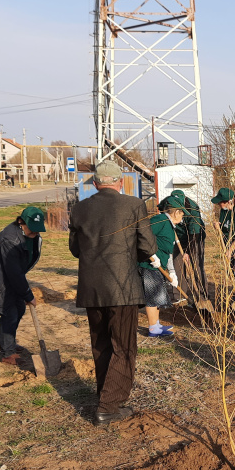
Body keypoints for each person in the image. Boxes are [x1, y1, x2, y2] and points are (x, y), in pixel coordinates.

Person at [69, 160, 158, 424]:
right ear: (121, 182)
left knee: (101, 344)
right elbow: (147, 245)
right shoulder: (133, 205)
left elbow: (75, 249)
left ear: (95, 184)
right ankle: (108, 407)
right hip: (122, 288)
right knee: (124, 347)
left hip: (92, 288)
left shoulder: (80, 209)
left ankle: (104, 395)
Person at [0, 206, 46, 366]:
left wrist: (24, 294)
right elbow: (14, 273)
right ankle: (8, 353)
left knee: (19, 308)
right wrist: (28, 294)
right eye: (32, 229)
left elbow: (18, 270)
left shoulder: (30, 236)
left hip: (7, 278)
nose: (35, 233)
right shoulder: (9, 240)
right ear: (21, 222)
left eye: (38, 230)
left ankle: (3, 341)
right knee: (10, 312)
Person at [140, 197, 186, 337]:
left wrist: (172, 272)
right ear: (176, 212)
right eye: (182, 213)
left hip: (158, 266)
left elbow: (169, 252)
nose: (183, 215)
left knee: (158, 296)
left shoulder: (170, 226)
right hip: (148, 265)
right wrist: (152, 255)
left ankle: (157, 325)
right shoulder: (159, 221)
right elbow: (142, 235)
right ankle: (153, 329)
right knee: (153, 296)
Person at [160, 189, 207, 303]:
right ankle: (180, 296)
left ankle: (202, 296)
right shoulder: (168, 203)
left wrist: (188, 252)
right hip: (179, 238)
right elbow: (161, 209)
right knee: (177, 266)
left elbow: (194, 233)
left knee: (196, 266)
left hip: (194, 238)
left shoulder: (192, 209)